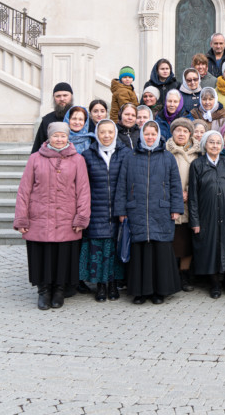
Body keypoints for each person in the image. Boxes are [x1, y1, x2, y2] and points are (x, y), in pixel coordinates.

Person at [14, 121, 91, 310]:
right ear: (49, 137)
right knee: (43, 255)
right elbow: (24, 190)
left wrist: (81, 217)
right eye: (56, 135)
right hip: (40, 217)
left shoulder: (77, 160)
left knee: (63, 256)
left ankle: (59, 290)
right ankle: (43, 291)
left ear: (68, 137)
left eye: (63, 136)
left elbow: (83, 190)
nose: (59, 139)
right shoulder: (35, 159)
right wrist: (22, 218)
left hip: (66, 218)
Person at [115, 120, 184, 305]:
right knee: (139, 253)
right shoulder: (130, 156)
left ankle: (159, 291)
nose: (150, 137)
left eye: (153, 134)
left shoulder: (167, 157)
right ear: (142, 135)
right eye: (147, 134)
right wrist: (121, 210)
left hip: (160, 210)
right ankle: (139, 292)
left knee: (160, 251)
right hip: (136, 210)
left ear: (158, 136)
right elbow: (122, 185)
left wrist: (176, 208)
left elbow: (175, 184)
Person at [80, 118, 129, 302]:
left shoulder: (125, 153)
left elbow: (127, 183)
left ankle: (112, 284)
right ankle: (100, 285)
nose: (106, 135)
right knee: (98, 249)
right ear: (97, 134)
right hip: (96, 209)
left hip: (117, 210)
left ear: (115, 133)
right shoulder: (87, 155)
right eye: (102, 132)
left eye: (110, 132)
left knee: (114, 249)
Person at [188, 130, 225, 298]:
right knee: (210, 250)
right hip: (206, 215)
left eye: (218, 142)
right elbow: (193, 195)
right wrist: (195, 221)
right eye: (211, 142)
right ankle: (215, 284)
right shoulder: (197, 165)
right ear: (205, 145)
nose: (215, 145)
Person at [166, 117, 199, 292]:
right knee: (173, 242)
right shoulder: (165, 151)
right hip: (171, 204)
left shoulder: (197, 152)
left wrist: (188, 191)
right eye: (178, 130)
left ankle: (184, 274)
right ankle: (172, 275)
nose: (181, 134)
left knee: (187, 243)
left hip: (190, 203)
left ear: (190, 134)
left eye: (185, 131)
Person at [31, 82, 74, 154]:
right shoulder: (47, 119)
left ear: (71, 96)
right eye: (58, 96)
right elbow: (38, 145)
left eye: (65, 95)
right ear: (54, 98)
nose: (62, 99)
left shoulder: (80, 117)